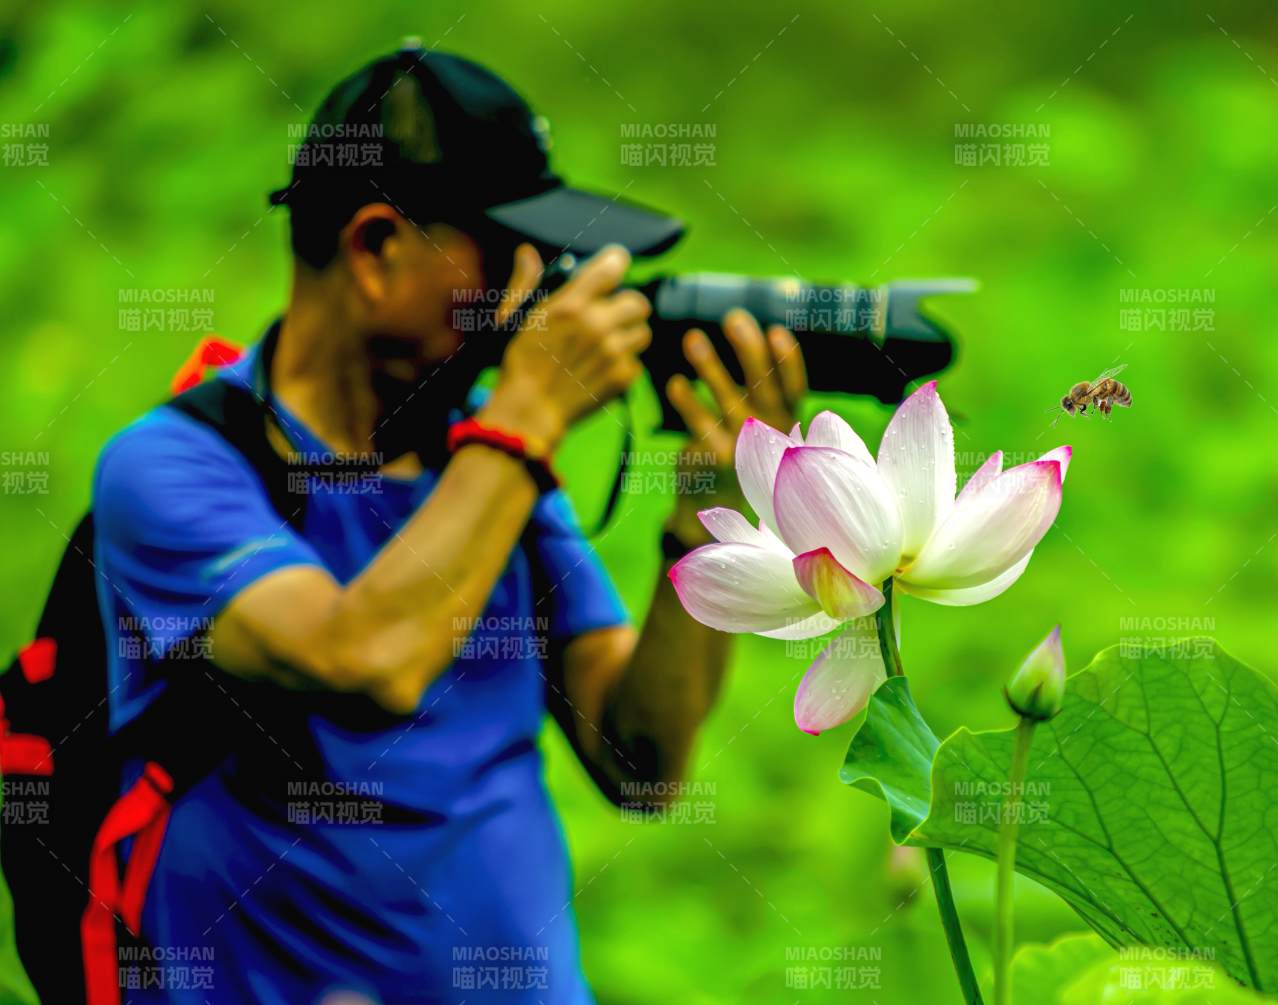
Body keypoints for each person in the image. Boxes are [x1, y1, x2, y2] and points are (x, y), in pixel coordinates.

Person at [92, 44, 806, 1004]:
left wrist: (711, 507)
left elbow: (641, 760)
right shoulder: (173, 469)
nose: (534, 299)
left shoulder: (484, 468)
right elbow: (367, 658)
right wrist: (528, 420)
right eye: (508, 256)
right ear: (377, 248)